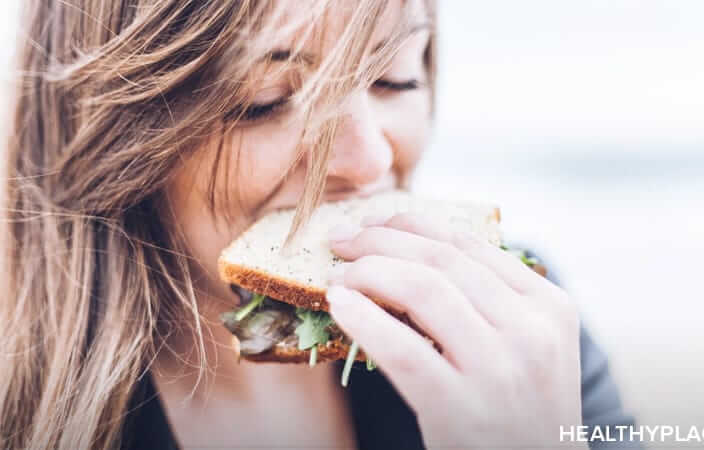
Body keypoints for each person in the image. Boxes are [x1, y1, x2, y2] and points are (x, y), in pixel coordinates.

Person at [0, 1, 639, 448]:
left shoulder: (521, 335)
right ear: (115, 134)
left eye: (396, 78)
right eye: (265, 101)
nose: (371, 161)